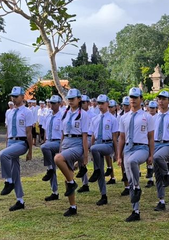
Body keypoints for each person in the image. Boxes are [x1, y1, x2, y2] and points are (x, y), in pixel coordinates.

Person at [117, 87, 155, 222]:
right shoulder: (123, 117)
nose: (132, 100)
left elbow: (151, 137)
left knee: (132, 162)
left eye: (135, 97)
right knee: (130, 180)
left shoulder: (147, 117)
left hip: (142, 148)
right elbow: (122, 138)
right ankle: (135, 211)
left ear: (141, 99)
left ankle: (138, 187)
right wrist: (119, 155)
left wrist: (151, 155)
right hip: (128, 148)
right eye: (131, 97)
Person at [53, 88, 90, 216]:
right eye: (69, 99)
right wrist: (61, 147)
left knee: (58, 159)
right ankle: (72, 206)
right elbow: (63, 133)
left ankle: (72, 183)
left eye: (73, 99)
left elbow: (84, 136)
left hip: (77, 143)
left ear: (79, 99)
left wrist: (85, 156)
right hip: (66, 142)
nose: (70, 101)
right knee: (67, 176)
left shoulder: (84, 114)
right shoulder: (65, 112)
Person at [0, 87, 33, 211]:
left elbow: (29, 133)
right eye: (12, 96)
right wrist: (7, 145)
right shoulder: (9, 112)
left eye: (16, 96)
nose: (13, 98)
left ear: (22, 97)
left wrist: (30, 151)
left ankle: (8, 181)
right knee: (15, 172)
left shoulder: (27, 112)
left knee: (2, 155)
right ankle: (20, 200)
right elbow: (8, 131)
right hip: (11, 141)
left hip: (21, 142)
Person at [88, 95, 119, 206]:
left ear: (107, 104)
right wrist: (92, 152)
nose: (100, 105)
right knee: (100, 171)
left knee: (98, 167)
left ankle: (96, 170)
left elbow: (115, 138)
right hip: (97, 145)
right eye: (99, 103)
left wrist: (116, 153)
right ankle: (103, 195)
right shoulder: (95, 119)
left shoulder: (113, 119)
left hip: (107, 144)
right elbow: (93, 136)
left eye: (102, 103)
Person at [152, 90, 169, 211]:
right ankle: (161, 201)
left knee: (158, 157)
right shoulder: (154, 117)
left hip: (167, 144)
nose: (161, 101)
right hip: (156, 144)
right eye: (159, 99)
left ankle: (167, 173)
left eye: (164, 99)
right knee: (157, 174)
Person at [40, 95, 64, 202]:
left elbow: (63, 132)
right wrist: (45, 140)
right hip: (49, 141)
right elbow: (46, 129)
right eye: (51, 103)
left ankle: (49, 169)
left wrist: (62, 146)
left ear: (59, 104)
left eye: (54, 103)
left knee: (64, 167)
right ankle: (55, 192)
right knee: (52, 168)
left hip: (58, 142)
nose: (52, 105)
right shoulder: (48, 115)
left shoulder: (62, 116)